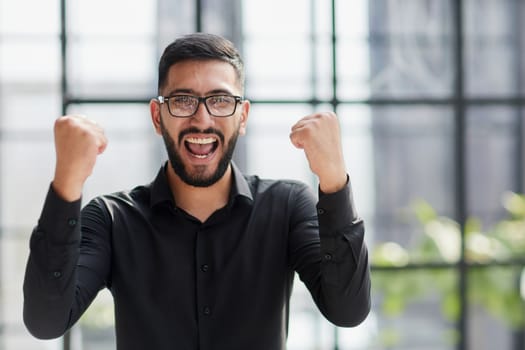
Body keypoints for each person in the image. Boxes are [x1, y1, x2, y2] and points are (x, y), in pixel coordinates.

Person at [23, 33, 370, 350]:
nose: (202, 120)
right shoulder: (112, 219)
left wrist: (334, 181)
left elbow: (348, 311)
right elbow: (46, 321)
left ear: (243, 116)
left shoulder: (288, 205)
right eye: (183, 100)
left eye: (220, 100)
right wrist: (66, 184)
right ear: (158, 117)